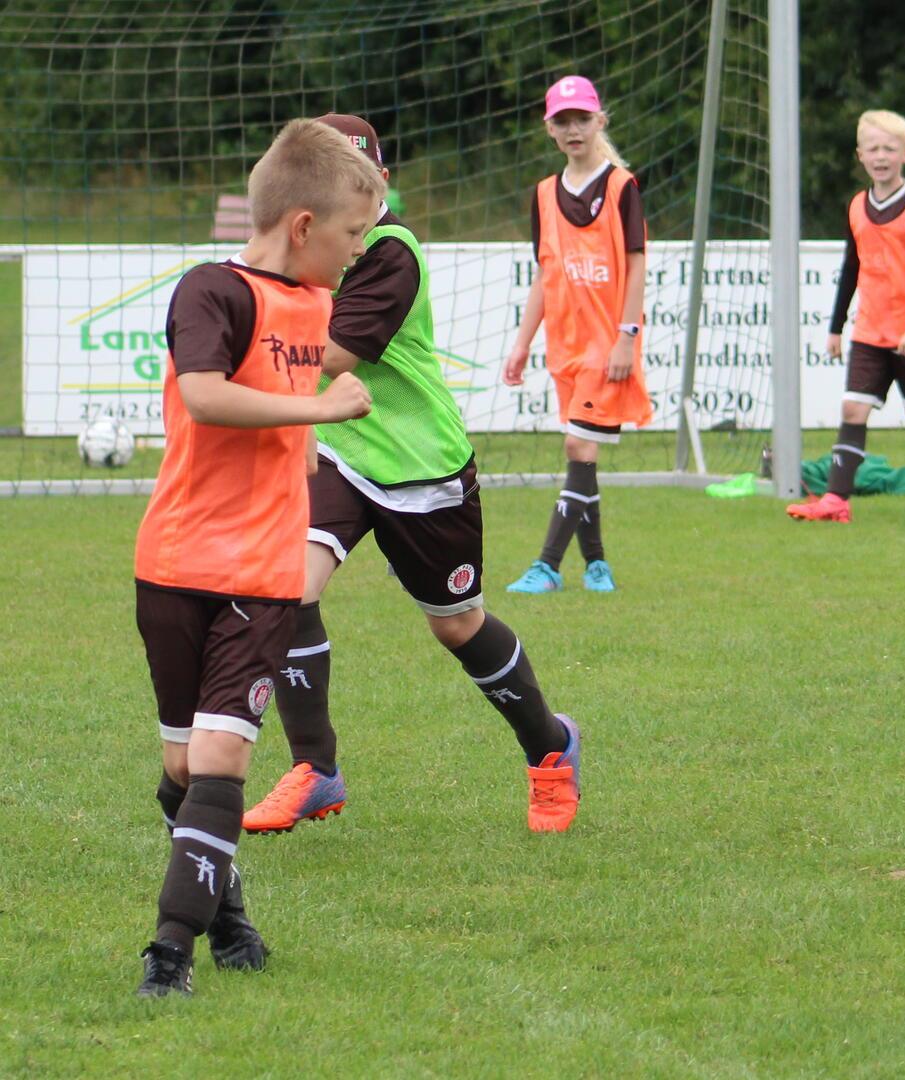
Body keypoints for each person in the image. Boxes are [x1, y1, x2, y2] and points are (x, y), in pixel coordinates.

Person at [242, 114, 582, 840]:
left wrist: (224, 370)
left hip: (420, 467)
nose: (357, 216)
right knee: (288, 587)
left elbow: (326, 359)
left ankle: (550, 748)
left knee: (457, 627)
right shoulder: (304, 243)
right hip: (343, 451)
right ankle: (314, 767)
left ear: (380, 184)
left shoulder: (390, 252)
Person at [132, 119, 380, 995]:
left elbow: (284, 418)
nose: (356, 255)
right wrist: (319, 417)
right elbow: (203, 398)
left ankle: (169, 955)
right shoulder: (212, 291)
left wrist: (304, 449)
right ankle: (228, 912)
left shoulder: (320, 308)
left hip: (263, 578)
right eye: (353, 234)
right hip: (174, 561)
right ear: (304, 225)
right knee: (183, 770)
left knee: (223, 761)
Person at [504, 74, 651, 592]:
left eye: (582, 119)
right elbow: (547, 276)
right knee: (581, 451)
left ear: (599, 122)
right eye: (562, 121)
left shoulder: (621, 187)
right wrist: (523, 343)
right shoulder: (544, 194)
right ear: (549, 129)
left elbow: (636, 265)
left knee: (577, 447)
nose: (573, 129)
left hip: (606, 347)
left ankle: (547, 564)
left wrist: (626, 337)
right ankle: (597, 563)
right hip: (564, 349)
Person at [787, 109, 905, 523]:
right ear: (859, 156)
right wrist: (835, 327)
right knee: (853, 409)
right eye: (873, 148)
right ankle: (836, 501)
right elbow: (852, 266)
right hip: (869, 330)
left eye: (889, 148)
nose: (881, 156)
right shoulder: (856, 206)